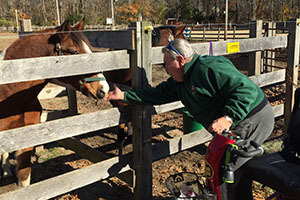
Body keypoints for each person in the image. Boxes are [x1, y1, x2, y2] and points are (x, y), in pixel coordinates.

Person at [105, 38, 274, 200]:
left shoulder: (209, 68)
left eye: (166, 64)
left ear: (180, 60)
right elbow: (156, 94)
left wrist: (228, 118)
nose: (165, 69)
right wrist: (124, 96)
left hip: (252, 117)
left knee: (228, 169)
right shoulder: (180, 82)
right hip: (237, 122)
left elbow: (246, 91)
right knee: (229, 169)